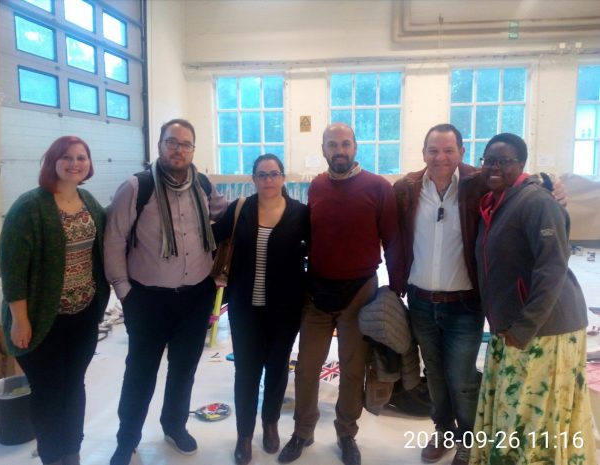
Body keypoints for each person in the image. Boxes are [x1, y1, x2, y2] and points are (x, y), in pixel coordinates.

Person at [390, 124, 566, 465]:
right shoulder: (406, 189)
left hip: (464, 304)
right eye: (433, 150)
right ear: (423, 153)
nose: (440, 158)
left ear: (462, 152)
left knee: (462, 377)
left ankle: (469, 439)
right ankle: (443, 430)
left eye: (449, 150)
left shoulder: (477, 183)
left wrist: (548, 183)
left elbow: (514, 179)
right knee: (434, 374)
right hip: (421, 301)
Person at [104, 119, 227, 465]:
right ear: (159, 145)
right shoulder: (136, 187)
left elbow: (226, 213)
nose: (178, 150)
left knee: (183, 370)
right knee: (140, 373)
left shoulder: (202, 184)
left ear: (193, 150)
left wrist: (266, 201)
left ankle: (174, 425)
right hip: (148, 300)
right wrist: (124, 291)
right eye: (172, 142)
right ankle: (127, 439)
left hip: (195, 297)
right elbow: (113, 240)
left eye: (186, 144)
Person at [470, 133, 594, 464]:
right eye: (489, 160)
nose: (494, 167)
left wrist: (525, 326)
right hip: (512, 327)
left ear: (522, 164)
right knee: (515, 410)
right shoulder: (494, 202)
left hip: (544, 329)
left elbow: (552, 268)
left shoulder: (537, 202)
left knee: (534, 413)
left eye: (504, 161)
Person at [278, 123, 396, 465]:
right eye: (332, 144)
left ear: (355, 147)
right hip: (317, 292)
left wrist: (396, 287)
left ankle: (346, 434)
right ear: (324, 149)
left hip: (359, 292)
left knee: (352, 369)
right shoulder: (316, 186)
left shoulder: (378, 187)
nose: (339, 150)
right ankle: (302, 431)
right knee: (306, 368)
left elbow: (392, 240)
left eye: (345, 144)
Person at [0, 136, 110, 465]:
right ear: (52, 161)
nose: (75, 163)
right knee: (48, 391)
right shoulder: (29, 207)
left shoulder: (89, 202)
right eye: (67, 157)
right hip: (40, 321)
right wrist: (20, 320)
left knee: (73, 386)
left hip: (83, 316)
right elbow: (13, 270)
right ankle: (51, 455)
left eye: (81, 157)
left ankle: (71, 452)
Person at [213, 154, 309, 465]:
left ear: (283, 178)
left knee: (278, 369)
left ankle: (270, 424)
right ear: (253, 179)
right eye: (262, 174)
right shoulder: (240, 209)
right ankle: (244, 434)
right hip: (245, 308)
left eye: (274, 174)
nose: (268, 180)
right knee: (246, 371)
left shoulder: (300, 213)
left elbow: (318, 252)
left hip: (285, 310)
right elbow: (210, 238)